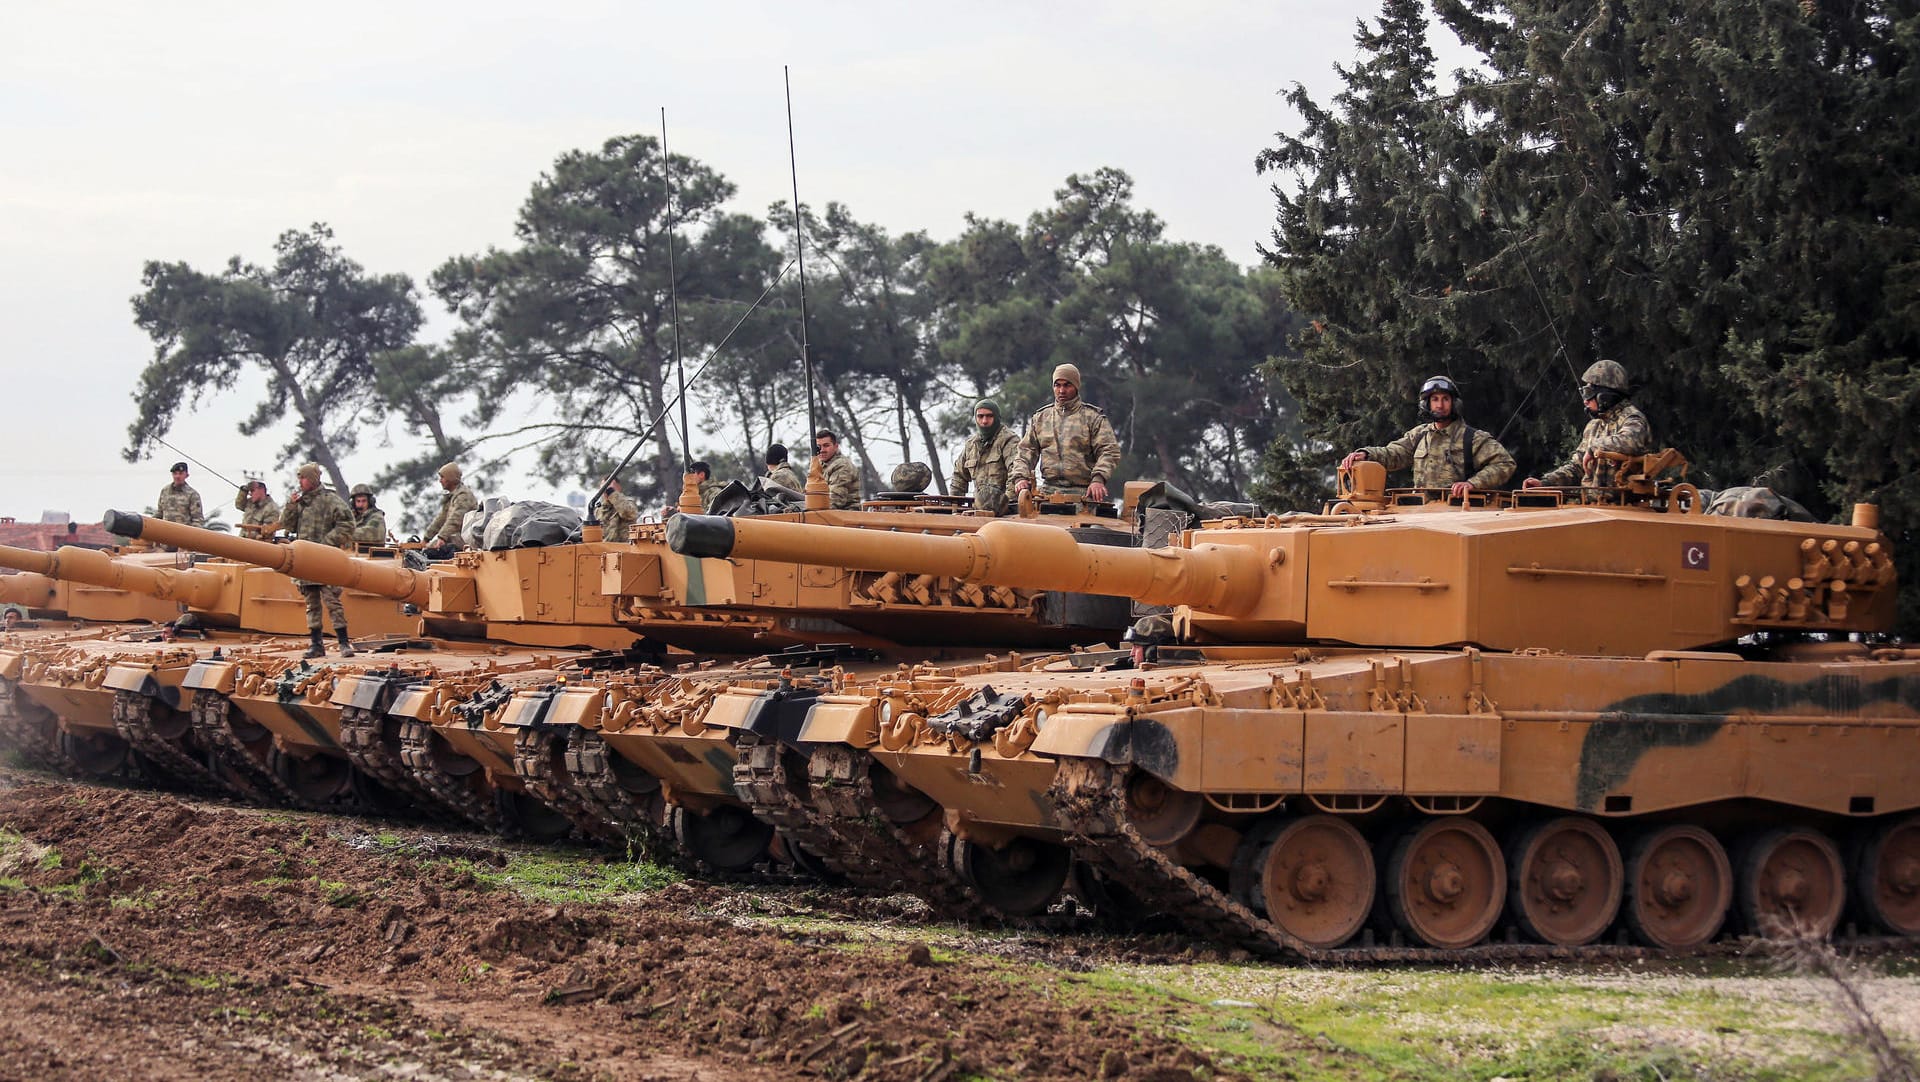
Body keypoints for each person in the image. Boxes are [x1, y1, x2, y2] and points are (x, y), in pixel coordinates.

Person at [1339, 375, 1517, 500]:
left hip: (1459, 511)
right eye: (1435, 399)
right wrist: (1366, 454)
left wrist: (1472, 484)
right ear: (1427, 404)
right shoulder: (1419, 435)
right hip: (1420, 510)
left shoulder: (1471, 438)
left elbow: (1505, 463)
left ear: (1454, 403)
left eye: (1445, 399)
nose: (1440, 405)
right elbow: (1394, 453)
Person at [1524, 360, 1655, 488]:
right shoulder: (1594, 426)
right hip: (1592, 504)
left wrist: (1594, 448)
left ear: (1605, 396)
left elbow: (1630, 442)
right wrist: (1545, 482)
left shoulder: (1632, 418)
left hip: (1626, 506)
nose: (1585, 401)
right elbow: (1577, 467)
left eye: (1588, 393)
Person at [1011, 363, 1121, 504]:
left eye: (1067, 385)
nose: (1061, 390)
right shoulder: (1041, 418)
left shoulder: (1092, 418)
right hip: (1047, 492)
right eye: (1057, 385)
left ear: (1076, 386)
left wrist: (1098, 479)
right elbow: (1026, 451)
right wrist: (1020, 477)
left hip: (1083, 493)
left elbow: (1109, 451)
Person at [279, 463, 356, 658]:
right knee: (311, 604)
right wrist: (291, 505)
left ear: (312, 479)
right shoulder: (300, 503)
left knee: (332, 602)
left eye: (303, 478)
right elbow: (287, 524)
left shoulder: (330, 500)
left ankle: (344, 643)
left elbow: (347, 524)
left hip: (325, 560)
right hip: (305, 561)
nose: (300, 482)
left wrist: (327, 543)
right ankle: (316, 644)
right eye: (299, 478)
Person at [950, 399, 1019, 513]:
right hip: (979, 509)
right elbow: (959, 477)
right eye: (980, 416)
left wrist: (1007, 504)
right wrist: (954, 506)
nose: (984, 421)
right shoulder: (971, 445)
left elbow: (1016, 473)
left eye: (989, 416)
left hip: (1005, 510)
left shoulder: (1009, 440)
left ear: (996, 417)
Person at [424, 462, 480, 551]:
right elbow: (441, 519)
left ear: (450, 478)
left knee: (431, 551)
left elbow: (456, 519)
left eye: (442, 477)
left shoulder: (463, 495)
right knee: (426, 549)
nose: (440, 481)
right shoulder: (453, 496)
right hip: (456, 537)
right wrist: (426, 538)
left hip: (467, 539)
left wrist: (442, 537)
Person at [812, 430, 862, 509]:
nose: (822, 450)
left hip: (845, 515)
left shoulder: (842, 465)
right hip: (825, 513)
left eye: (826, 445)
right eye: (819, 447)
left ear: (836, 446)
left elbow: (835, 499)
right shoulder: (818, 465)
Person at [156, 462, 204, 528]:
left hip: (183, 534)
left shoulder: (192, 494)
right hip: (165, 532)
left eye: (180, 474)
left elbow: (197, 520)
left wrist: (192, 536)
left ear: (186, 475)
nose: (177, 476)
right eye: (175, 474)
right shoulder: (165, 491)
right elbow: (159, 513)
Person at [597, 477, 639, 541]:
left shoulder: (628, 503)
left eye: (609, 486)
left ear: (619, 487)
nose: (606, 491)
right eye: (603, 488)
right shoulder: (599, 510)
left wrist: (613, 494)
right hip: (604, 548)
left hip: (624, 547)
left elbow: (628, 513)